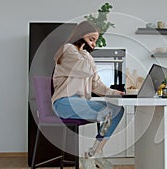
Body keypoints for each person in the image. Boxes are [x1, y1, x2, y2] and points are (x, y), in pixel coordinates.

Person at [51, 21, 125, 158]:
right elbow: (85, 70)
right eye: (92, 40)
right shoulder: (68, 49)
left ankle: (94, 152)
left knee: (117, 110)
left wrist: (115, 93)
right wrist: (86, 54)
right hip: (64, 103)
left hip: (79, 103)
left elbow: (96, 85)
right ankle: (93, 156)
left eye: (95, 41)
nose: (94, 45)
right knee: (112, 111)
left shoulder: (84, 56)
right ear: (81, 36)